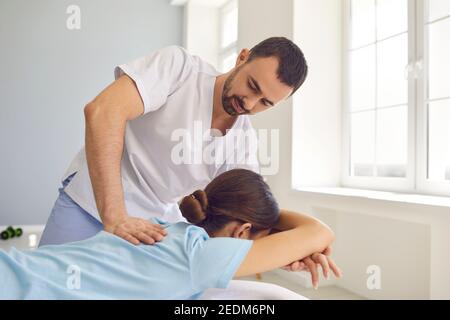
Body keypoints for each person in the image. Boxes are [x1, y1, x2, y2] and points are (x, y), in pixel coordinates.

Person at [39, 37, 309, 249]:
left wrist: (296, 245)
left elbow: (249, 212)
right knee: (46, 288)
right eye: (252, 86)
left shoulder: (243, 142)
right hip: (92, 202)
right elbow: (102, 112)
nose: (250, 103)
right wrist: (116, 216)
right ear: (242, 58)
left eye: (265, 103)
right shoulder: (180, 68)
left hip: (153, 228)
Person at [1, 169, 339, 299]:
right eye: (264, 238)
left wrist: (259, 217)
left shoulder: (167, 230)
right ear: (243, 231)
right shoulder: (202, 256)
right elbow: (319, 231)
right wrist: (271, 218)